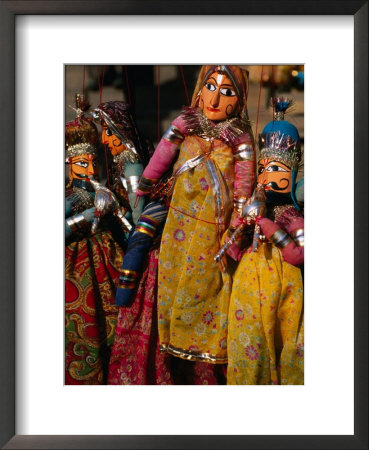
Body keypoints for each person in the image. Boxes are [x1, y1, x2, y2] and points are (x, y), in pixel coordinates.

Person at [136, 65, 255, 364]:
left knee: (205, 282)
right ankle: (171, 338)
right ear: (200, 91)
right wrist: (145, 184)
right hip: (179, 217)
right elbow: (163, 152)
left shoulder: (239, 137)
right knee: (173, 274)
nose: (214, 101)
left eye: (226, 92)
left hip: (213, 227)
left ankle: (205, 344)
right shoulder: (186, 121)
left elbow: (244, 184)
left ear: (239, 102)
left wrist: (236, 226)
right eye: (210, 88)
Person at [226, 97, 304, 385]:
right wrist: (240, 223)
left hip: (284, 295)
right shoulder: (253, 207)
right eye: (263, 168)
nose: (266, 177)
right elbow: (232, 250)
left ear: (292, 173)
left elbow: (298, 255)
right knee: (248, 349)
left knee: (283, 348)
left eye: (277, 170)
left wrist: (270, 227)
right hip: (246, 294)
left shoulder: (293, 216)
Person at [65, 96, 127, 384]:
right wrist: (86, 216)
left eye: (91, 162)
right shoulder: (69, 197)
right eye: (81, 163)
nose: (89, 170)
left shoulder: (99, 188)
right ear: (69, 165)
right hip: (76, 265)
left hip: (107, 256)